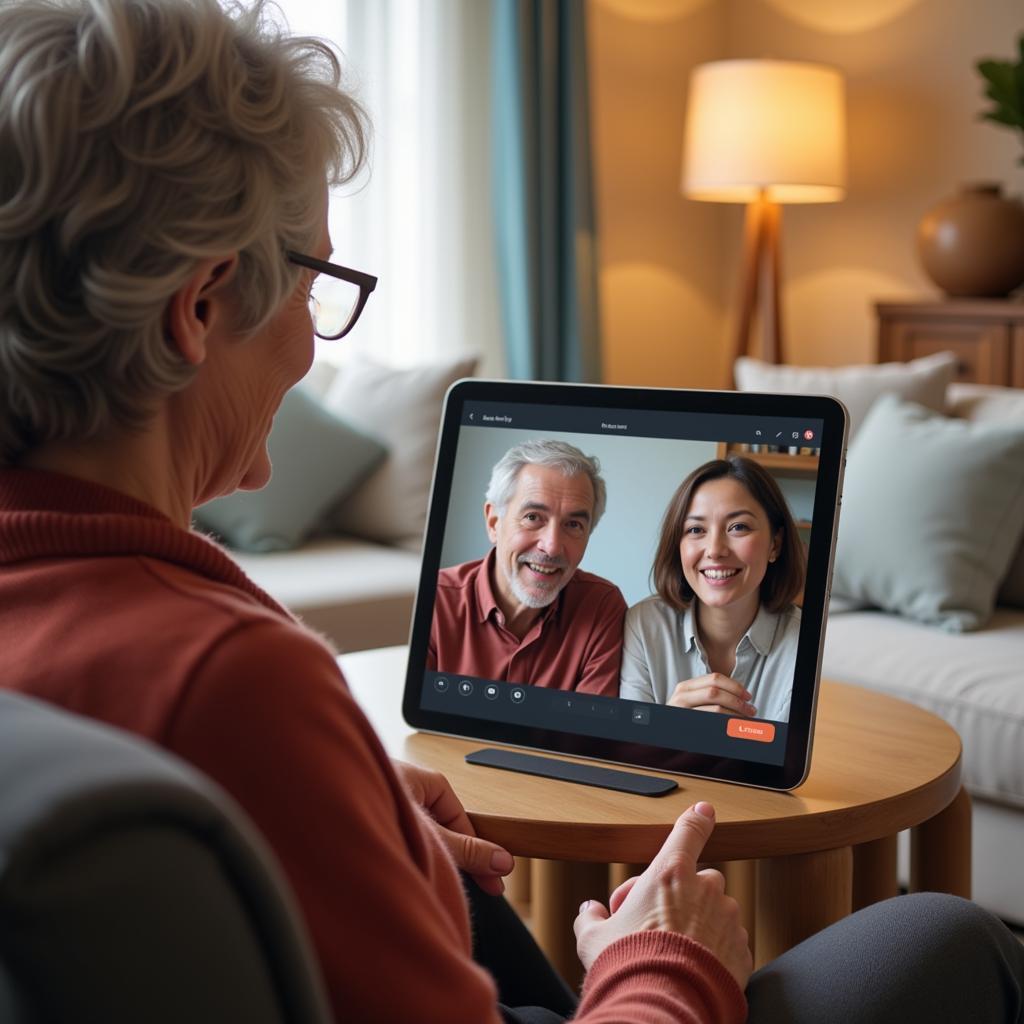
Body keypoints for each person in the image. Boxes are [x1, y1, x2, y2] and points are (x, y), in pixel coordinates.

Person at [1, 3, 1022, 1023]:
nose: (313, 345)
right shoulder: (230, 683)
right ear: (202, 305)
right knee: (944, 933)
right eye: (317, 284)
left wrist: (330, 819)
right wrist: (664, 962)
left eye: (577, 523)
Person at [427, 439, 626, 695]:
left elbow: (589, 731)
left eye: (573, 525)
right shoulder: (436, 598)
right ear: (493, 522)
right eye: (533, 517)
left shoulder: (601, 607)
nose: (552, 546)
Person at [621, 455, 805, 723]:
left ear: (775, 544)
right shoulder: (643, 624)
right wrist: (666, 726)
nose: (716, 550)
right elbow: (629, 750)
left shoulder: (804, 645)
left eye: (738, 527)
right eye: (696, 529)